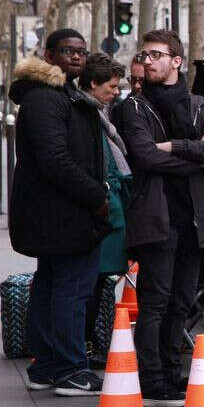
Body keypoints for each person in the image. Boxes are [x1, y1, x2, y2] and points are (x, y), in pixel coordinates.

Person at [118, 29, 204, 406]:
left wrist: (178, 147)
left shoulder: (199, 104)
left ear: (176, 61)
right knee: (155, 302)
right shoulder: (133, 107)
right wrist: (196, 156)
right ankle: (151, 380)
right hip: (156, 216)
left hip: (196, 218)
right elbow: (145, 157)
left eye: (155, 55)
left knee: (182, 301)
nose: (147, 61)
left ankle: (172, 373)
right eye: (144, 55)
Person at [8, 28, 110, 396]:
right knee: (71, 289)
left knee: (52, 286)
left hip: (60, 214)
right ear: (49, 55)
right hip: (63, 215)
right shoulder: (45, 99)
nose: (77, 56)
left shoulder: (61, 94)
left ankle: (48, 366)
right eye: (67, 50)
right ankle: (69, 369)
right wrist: (97, 196)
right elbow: (55, 160)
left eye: (81, 50)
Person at [78, 53, 133, 358]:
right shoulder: (89, 115)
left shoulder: (99, 113)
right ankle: (85, 343)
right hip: (102, 209)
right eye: (111, 86)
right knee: (92, 283)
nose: (116, 92)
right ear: (94, 83)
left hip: (108, 207)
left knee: (98, 283)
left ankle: (88, 340)